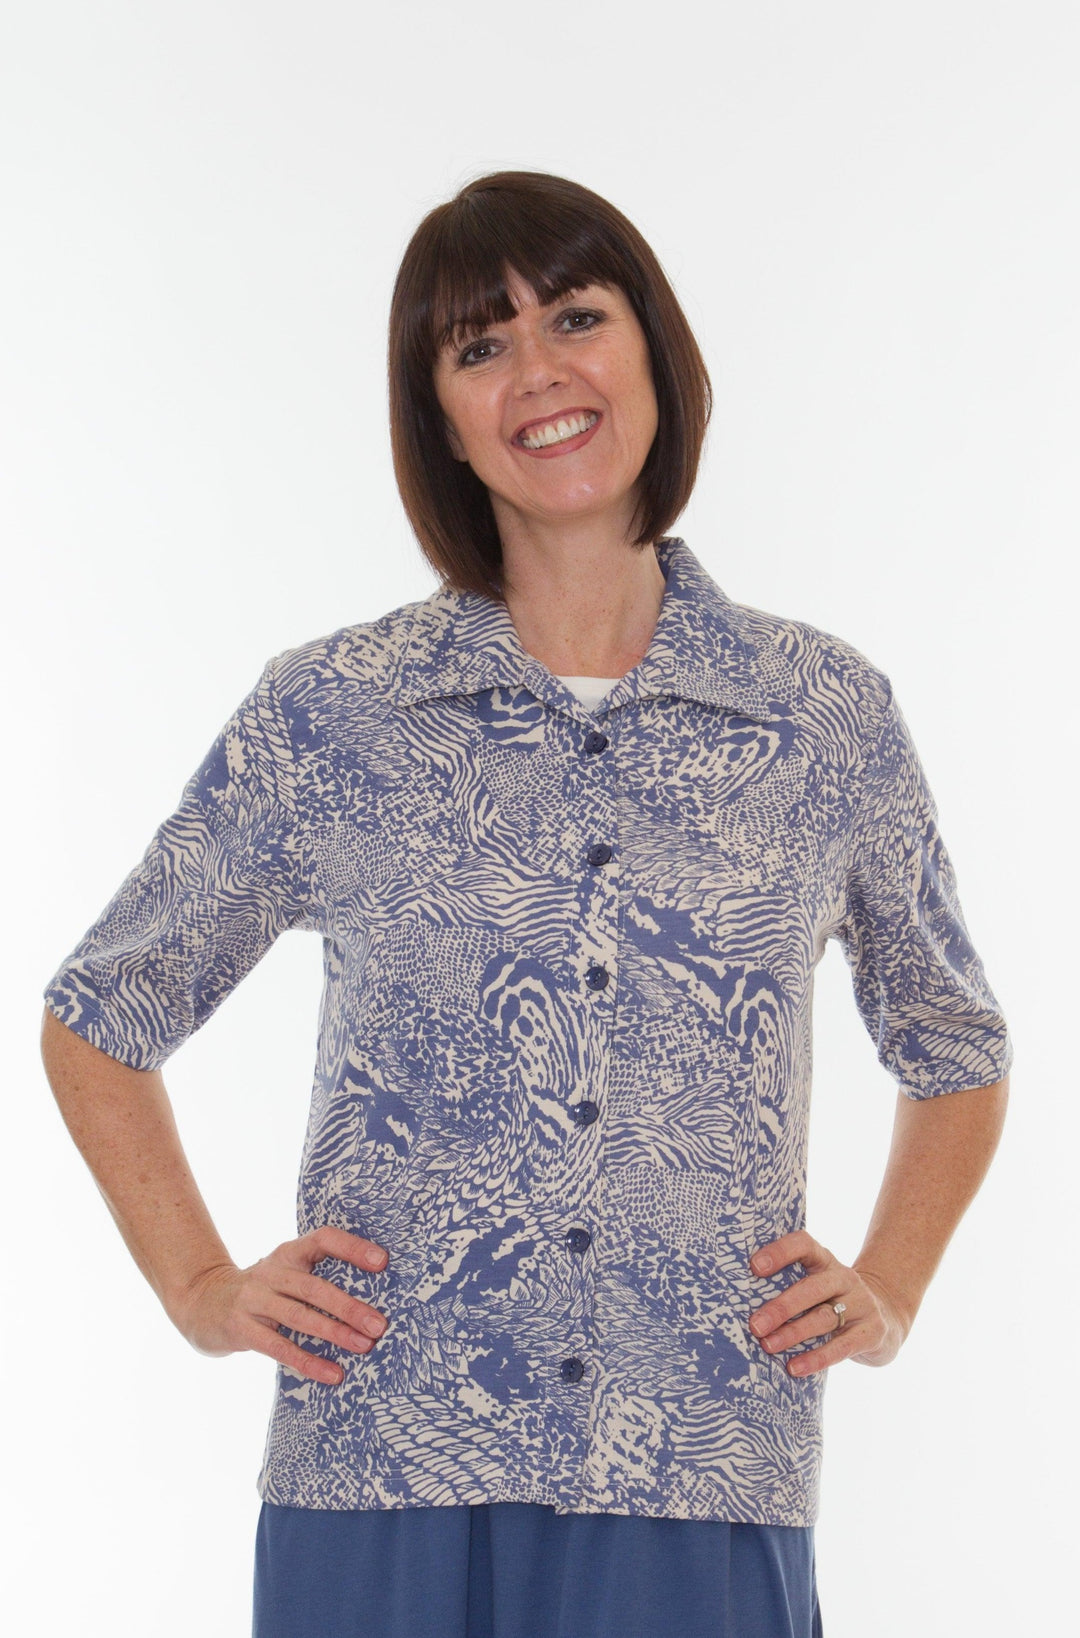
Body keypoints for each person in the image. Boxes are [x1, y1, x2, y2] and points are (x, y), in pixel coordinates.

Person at [40, 170, 1013, 1638]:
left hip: (703, 1452)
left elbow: (954, 1041)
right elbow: (100, 1015)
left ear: (654, 353)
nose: (540, 374)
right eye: (480, 347)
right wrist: (197, 1283)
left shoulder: (823, 716)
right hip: (384, 1462)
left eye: (576, 318)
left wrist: (893, 1284)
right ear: (439, 419)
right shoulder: (333, 714)